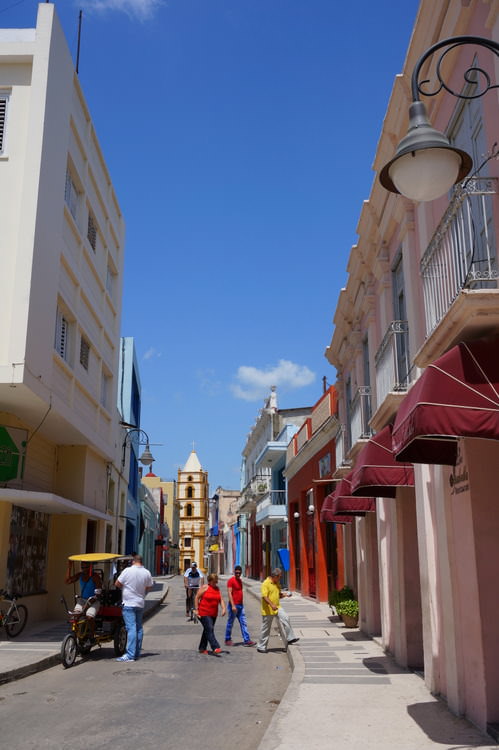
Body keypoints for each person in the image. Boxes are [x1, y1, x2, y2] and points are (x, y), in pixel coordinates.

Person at [115, 554, 153, 662]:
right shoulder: (146, 572)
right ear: (141, 561)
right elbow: (149, 586)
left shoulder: (127, 571)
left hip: (129, 603)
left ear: (133, 561)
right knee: (139, 628)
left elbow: (117, 583)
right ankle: (136, 653)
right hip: (140, 603)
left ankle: (130, 655)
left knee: (131, 628)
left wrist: (126, 587)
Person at [257, 567, 299, 653]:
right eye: (279, 576)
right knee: (266, 629)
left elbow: (278, 594)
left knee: (286, 618)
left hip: (277, 607)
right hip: (268, 609)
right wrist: (271, 604)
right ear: (275, 576)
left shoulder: (277, 583)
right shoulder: (266, 583)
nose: (280, 578)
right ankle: (261, 647)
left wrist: (285, 595)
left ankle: (290, 638)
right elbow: (264, 596)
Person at [65, 560, 102, 636]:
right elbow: (68, 581)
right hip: (82, 600)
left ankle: (92, 634)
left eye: (86, 567)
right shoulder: (80, 575)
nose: (84, 569)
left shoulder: (95, 577)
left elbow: (98, 594)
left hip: (93, 601)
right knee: (75, 616)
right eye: (82, 567)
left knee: (89, 617)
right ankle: (76, 635)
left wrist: (88, 604)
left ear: (90, 567)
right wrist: (69, 567)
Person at [194, 573, 226, 655]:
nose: (216, 583)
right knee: (209, 628)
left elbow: (221, 600)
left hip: (213, 614)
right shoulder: (205, 587)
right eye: (214, 582)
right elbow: (197, 597)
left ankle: (202, 648)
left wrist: (223, 608)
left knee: (207, 630)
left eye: (216, 581)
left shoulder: (217, 589)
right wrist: (196, 610)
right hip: (203, 612)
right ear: (210, 581)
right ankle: (215, 647)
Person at [224, 565, 255, 647]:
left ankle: (247, 640)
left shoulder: (240, 581)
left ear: (241, 572)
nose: (238, 574)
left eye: (239, 572)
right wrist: (233, 605)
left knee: (243, 623)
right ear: (234, 572)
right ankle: (227, 639)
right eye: (236, 572)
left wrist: (241, 604)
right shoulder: (231, 581)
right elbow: (229, 593)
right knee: (230, 623)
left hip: (240, 606)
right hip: (233, 606)